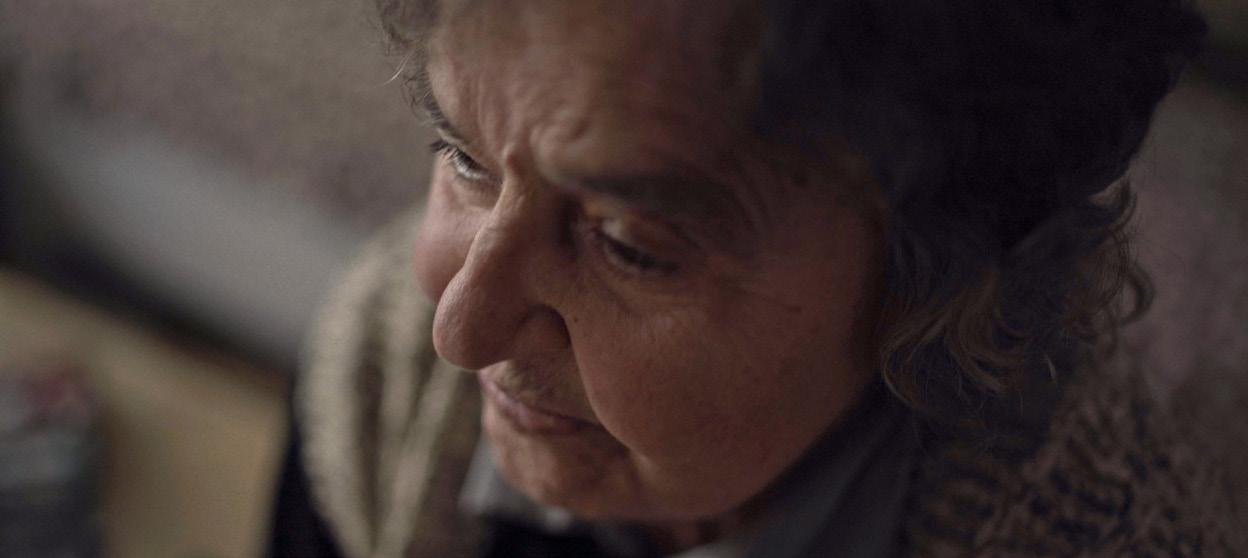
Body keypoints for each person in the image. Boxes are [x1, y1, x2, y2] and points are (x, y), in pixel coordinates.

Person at [269, 1, 1241, 556]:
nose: (460, 327)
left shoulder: (1116, 533)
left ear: (939, 290)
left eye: (630, 244)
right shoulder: (386, 372)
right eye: (464, 158)